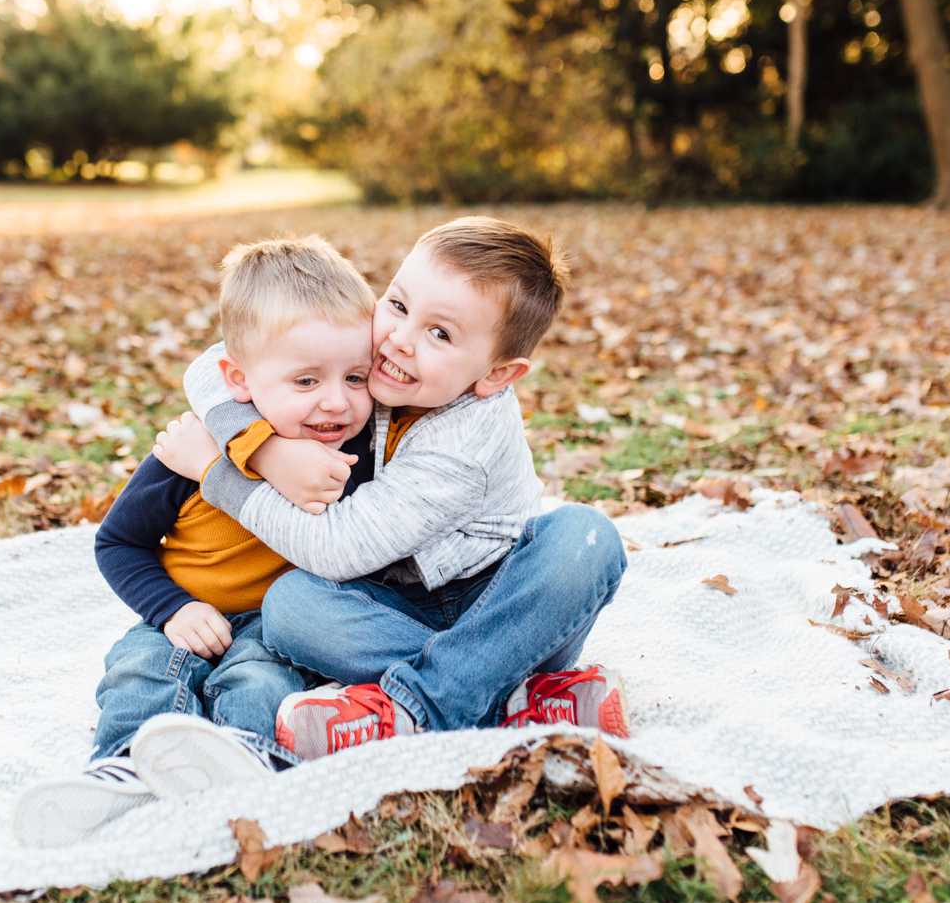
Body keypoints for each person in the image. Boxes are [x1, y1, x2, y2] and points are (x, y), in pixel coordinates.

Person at [153, 216, 629, 763]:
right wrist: (266, 451)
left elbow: (337, 548)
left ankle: (412, 707)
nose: (400, 341)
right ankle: (520, 699)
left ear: (497, 374)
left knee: (585, 537)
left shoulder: (465, 439)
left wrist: (220, 475)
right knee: (289, 605)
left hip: (506, 608)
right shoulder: (375, 368)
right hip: (392, 608)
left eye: (440, 334)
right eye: (399, 306)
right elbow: (214, 364)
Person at [11, 236, 377, 847]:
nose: (336, 402)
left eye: (356, 376)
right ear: (237, 379)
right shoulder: (194, 453)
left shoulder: (358, 456)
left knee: (259, 680)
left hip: (279, 622)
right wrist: (171, 608)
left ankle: (242, 763)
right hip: (180, 611)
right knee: (137, 673)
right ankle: (122, 769)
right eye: (306, 379)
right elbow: (118, 544)